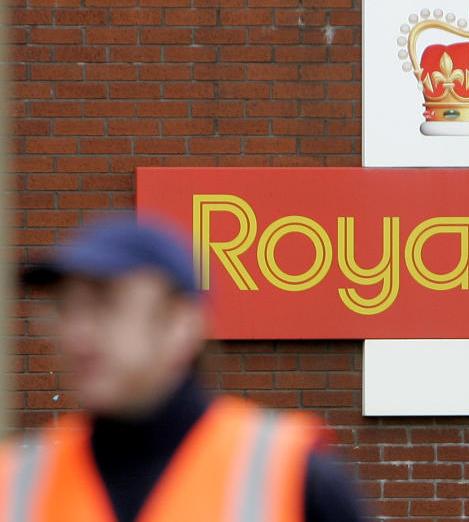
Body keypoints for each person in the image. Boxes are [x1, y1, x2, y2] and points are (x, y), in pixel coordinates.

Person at [1, 216, 368, 521]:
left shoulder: (292, 474)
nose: (77, 334)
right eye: (67, 308)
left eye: (106, 304)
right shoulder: (17, 482)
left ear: (183, 325)